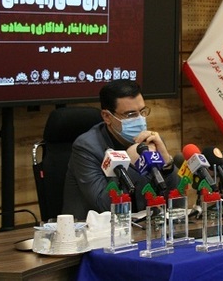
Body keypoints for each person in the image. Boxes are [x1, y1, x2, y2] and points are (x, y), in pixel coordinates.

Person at [63, 79, 180, 220]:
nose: (140, 120)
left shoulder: (150, 142)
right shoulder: (87, 148)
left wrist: (167, 164)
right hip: (96, 230)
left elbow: (176, 204)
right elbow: (104, 206)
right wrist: (127, 164)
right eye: (131, 115)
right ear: (107, 116)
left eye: (142, 112)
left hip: (144, 226)